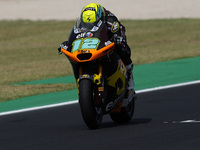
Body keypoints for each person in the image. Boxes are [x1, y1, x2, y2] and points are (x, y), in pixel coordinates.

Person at [58, 3, 135, 94]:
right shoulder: (81, 23)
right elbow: (77, 34)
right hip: (91, 46)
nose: (88, 24)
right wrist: (68, 44)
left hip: (111, 35)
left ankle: (129, 72)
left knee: (122, 46)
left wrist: (117, 37)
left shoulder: (111, 20)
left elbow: (117, 33)